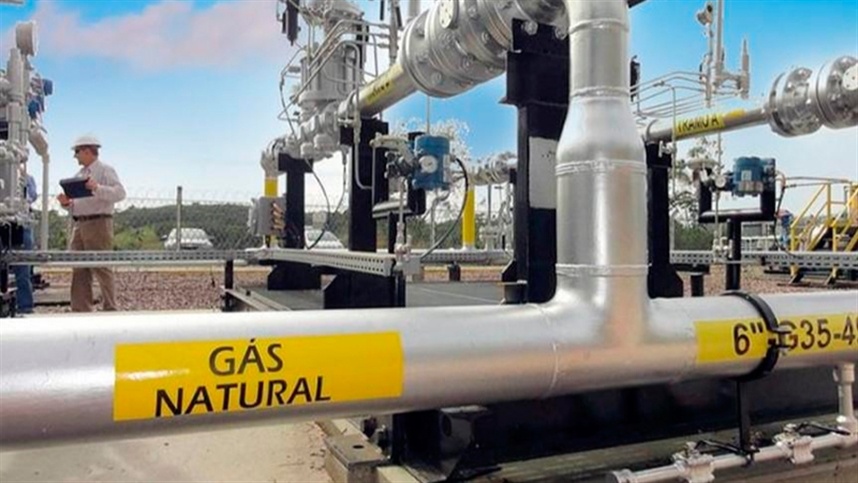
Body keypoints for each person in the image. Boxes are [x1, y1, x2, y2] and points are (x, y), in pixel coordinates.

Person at [57, 135, 126, 312]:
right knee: (79, 267)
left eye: (77, 152)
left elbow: (120, 193)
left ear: (87, 151)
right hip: (80, 224)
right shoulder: (79, 175)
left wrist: (97, 188)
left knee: (101, 265)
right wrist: (67, 204)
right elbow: (78, 203)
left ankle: (110, 307)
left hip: (99, 222)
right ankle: (81, 309)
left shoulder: (105, 170)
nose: (75, 156)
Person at [12, 171, 38, 314]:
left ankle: (25, 306)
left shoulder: (27, 178)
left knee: (23, 267)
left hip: (22, 223)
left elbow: (32, 196)